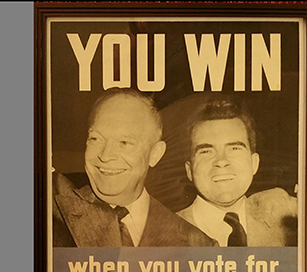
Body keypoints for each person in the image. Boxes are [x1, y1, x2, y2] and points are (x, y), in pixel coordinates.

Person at [53, 88, 217, 247]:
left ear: (155, 154)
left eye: (124, 143)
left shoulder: (197, 245)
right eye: (96, 139)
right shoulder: (50, 209)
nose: (105, 155)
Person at [177, 98, 298, 247]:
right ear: (189, 170)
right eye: (206, 151)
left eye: (234, 148)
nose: (221, 161)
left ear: (254, 163)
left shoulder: (284, 220)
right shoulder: (165, 233)